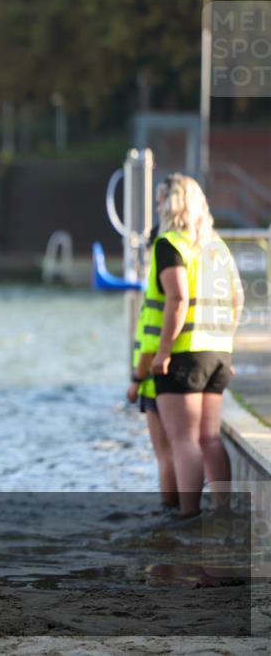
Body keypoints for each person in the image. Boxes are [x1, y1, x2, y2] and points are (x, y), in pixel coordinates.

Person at [142, 174, 244, 517]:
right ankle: (224, 511)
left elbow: (178, 298)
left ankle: (188, 518)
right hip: (217, 354)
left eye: (159, 202)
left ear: (172, 204)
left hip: (184, 355)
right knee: (209, 438)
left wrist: (163, 351)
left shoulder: (169, 244)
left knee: (183, 440)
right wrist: (225, 345)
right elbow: (237, 297)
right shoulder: (216, 246)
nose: (157, 208)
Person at [127, 180, 177, 509]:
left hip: (154, 379)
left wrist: (136, 380)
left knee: (166, 454)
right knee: (185, 446)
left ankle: (172, 514)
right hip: (183, 366)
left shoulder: (160, 284)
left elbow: (149, 339)